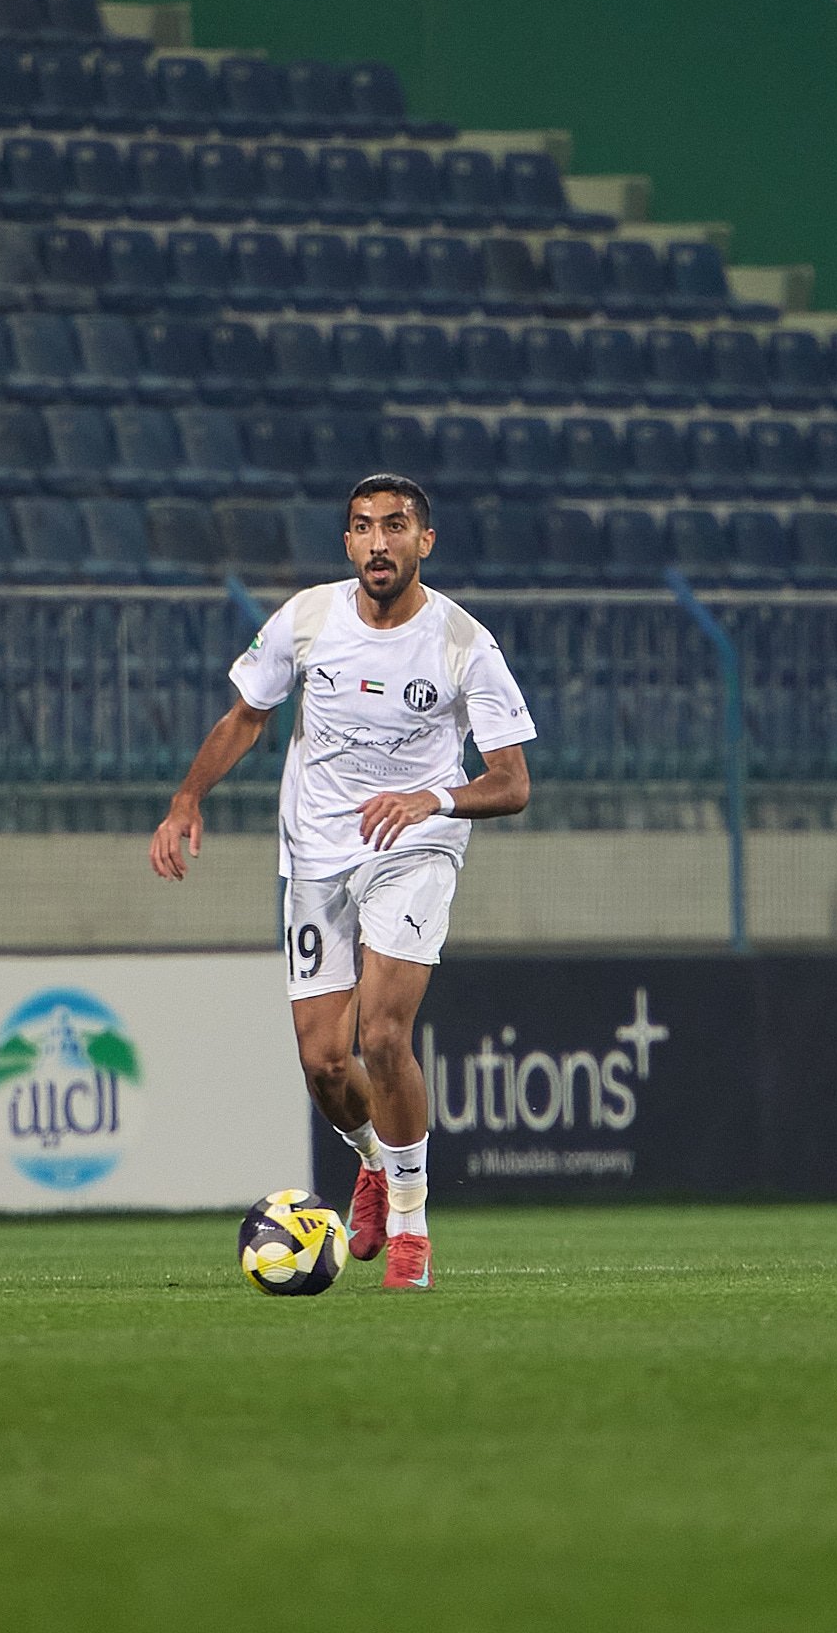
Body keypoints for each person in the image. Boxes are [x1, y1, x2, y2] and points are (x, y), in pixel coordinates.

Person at [149, 475, 536, 1290]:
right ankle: (370, 1161)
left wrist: (432, 799)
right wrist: (187, 799)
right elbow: (246, 716)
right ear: (349, 542)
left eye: (395, 526)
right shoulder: (308, 618)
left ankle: (411, 1225)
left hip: (415, 847)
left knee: (385, 1036)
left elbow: (512, 783)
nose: (378, 542)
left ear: (425, 541)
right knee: (325, 1063)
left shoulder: (464, 643)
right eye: (362, 527)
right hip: (315, 855)